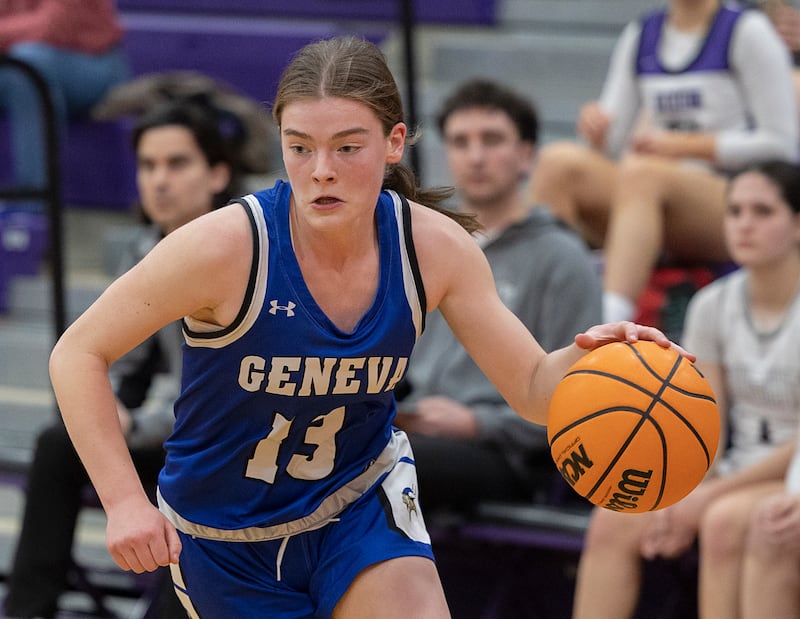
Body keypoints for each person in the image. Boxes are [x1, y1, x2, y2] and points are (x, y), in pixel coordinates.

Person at [47, 36, 683, 618]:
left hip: (356, 502)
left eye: (347, 147)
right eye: (300, 147)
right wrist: (124, 502)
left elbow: (533, 389)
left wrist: (601, 356)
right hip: (225, 535)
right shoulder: (224, 246)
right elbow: (77, 353)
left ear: (394, 143)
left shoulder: (433, 247)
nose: (321, 169)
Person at [3, 99, 242, 619]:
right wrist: (107, 408)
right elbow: (112, 360)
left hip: (225, 445)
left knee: (196, 470)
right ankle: (28, 609)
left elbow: (212, 389)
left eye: (177, 164)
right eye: (148, 166)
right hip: (167, 436)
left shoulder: (241, 254)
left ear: (219, 174)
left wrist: (140, 421)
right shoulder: (141, 249)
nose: (160, 181)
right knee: (58, 444)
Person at [571, 159, 800, 619]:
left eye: (762, 211)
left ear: (797, 224)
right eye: (735, 211)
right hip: (735, 469)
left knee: (723, 521)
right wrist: (686, 490)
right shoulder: (712, 303)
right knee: (614, 517)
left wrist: (710, 495)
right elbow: (704, 419)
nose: (744, 224)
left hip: (789, 473)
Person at [394, 79, 602, 516]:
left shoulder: (562, 257)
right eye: (460, 142)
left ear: (526, 154)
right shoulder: (430, 245)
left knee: (386, 466)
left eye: (491, 140)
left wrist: (475, 423)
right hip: (416, 428)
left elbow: (579, 398)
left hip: (509, 455)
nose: (475, 156)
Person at [526, 0, 798, 325]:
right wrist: (596, 129)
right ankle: (538, 309)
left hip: (731, 195)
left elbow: (781, 146)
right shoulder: (642, 33)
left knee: (644, 173)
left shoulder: (747, 30)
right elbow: (613, 144)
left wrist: (687, 146)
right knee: (557, 163)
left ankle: (608, 322)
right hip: (653, 189)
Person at [0, 0, 129, 199]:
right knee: (22, 66)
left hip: (92, 62)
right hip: (21, 56)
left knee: (26, 67)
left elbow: (53, 26)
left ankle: (34, 203)